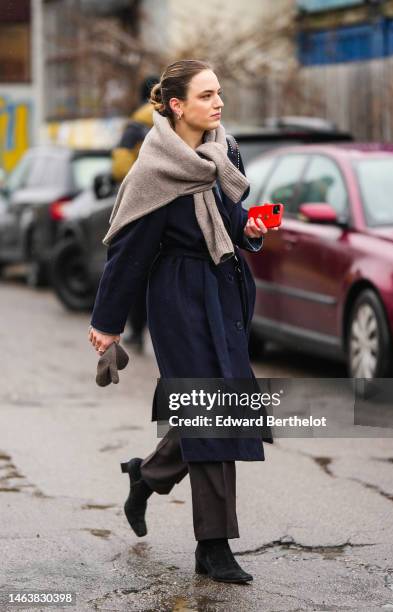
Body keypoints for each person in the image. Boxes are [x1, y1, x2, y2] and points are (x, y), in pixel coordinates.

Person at [88, 59, 279, 584]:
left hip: (225, 289)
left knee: (218, 408)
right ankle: (213, 548)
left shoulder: (225, 148)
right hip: (178, 297)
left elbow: (232, 219)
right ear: (177, 105)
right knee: (213, 411)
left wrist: (254, 227)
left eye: (220, 93)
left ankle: (145, 476)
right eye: (206, 95)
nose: (218, 103)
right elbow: (127, 253)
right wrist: (108, 325)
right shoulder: (155, 170)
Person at [111, 75, 159, 351]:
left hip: (142, 204)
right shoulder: (177, 117)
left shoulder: (138, 122)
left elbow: (119, 164)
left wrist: (132, 183)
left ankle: (136, 331)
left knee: (136, 267)